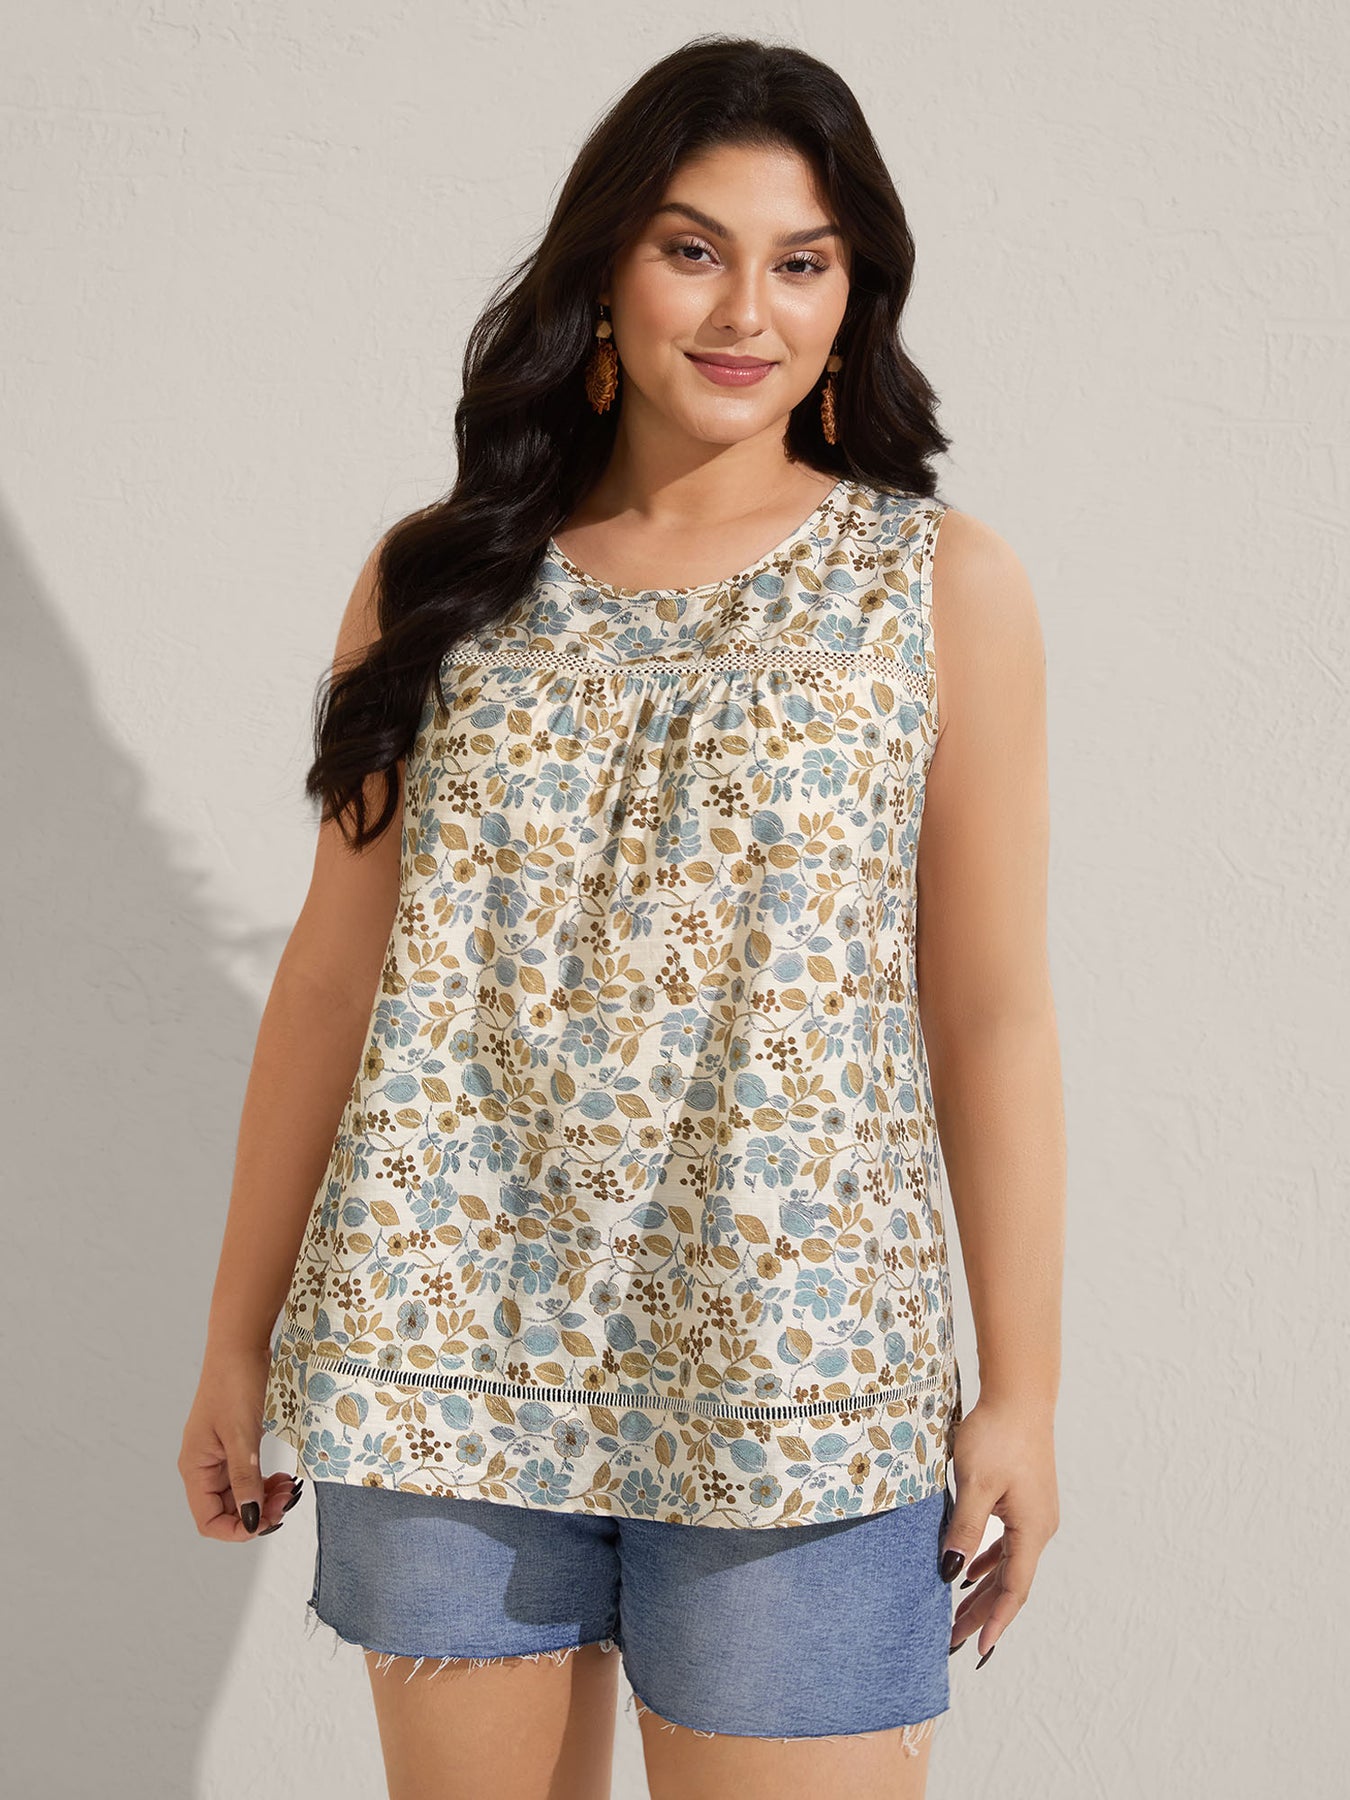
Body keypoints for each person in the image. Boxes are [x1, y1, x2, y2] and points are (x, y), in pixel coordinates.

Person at [179, 33, 1065, 1800]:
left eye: (800, 262)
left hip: (796, 1362)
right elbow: (335, 978)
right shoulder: (438, 578)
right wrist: (236, 1334)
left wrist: (1021, 1394)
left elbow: (989, 1012)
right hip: (438, 1346)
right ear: (602, 271)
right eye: (691, 249)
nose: (746, 310)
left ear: (853, 299)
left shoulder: (933, 583)